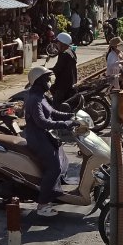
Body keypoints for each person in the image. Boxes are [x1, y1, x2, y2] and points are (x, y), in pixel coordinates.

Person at [24, 67, 78, 217]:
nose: (49, 82)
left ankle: (55, 191)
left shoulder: (40, 96)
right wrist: (65, 124)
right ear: (39, 81)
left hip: (44, 135)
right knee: (54, 167)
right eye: (47, 79)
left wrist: (70, 116)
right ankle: (42, 205)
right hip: (37, 138)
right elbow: (42, 122)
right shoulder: (34, 99)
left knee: (62, 158)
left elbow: (53, 112)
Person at [50, 32, 78, 105]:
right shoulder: (71, 51)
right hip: (71, 83)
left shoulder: (64, 55)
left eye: (58, 43)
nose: (57, 45)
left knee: (55, 106)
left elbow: (57, 68)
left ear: (62, 44)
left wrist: (47, 71)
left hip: (63, 86)